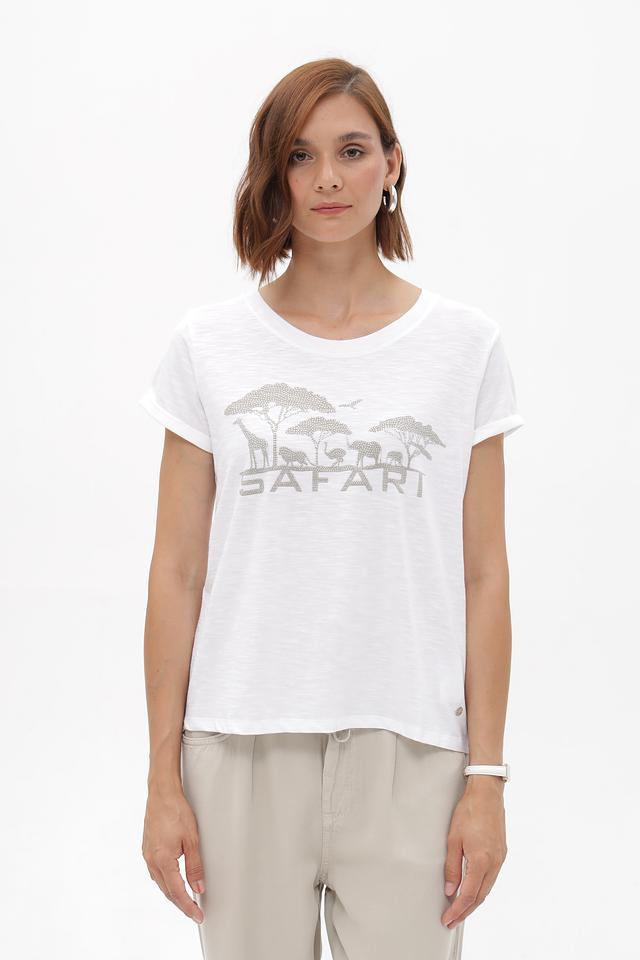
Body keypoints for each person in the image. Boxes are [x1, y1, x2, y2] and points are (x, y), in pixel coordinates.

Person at [139, 57, 524, 960]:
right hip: (239, 745)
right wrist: (161, 778)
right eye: (300, 156)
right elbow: (176, 572)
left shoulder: (464, 348)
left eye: (352, 151)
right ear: (272, 174)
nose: (327, 180)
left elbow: (485, 575)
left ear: (392, 162)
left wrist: (487, 778)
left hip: (412, 751)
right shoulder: (208, 347)